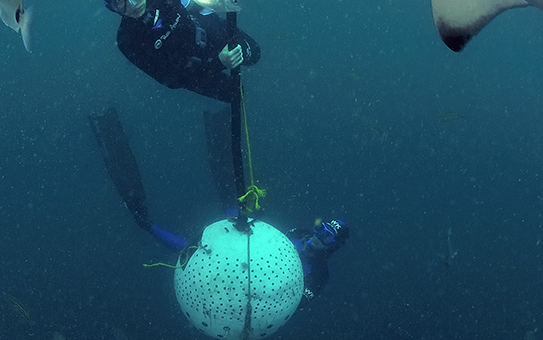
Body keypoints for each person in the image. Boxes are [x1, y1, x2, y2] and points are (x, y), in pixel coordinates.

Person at [88, 107, 348, 305]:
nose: (317, 236)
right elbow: (263, 235)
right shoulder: (300, 233)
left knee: (192, 248)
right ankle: (219, 125)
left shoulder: (318, 275)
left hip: (237, 293)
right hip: (233, 255)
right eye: (321, 229)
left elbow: (294, 304)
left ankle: (145, 220)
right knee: (226, 208)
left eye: (326, 236)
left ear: (333, 247)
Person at [98, 0, 260, 103]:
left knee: (254, 54)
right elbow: (172, 80)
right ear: (113, 8)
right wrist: (218, 63)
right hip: (192, 72)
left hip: (206, 30)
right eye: (120, 2)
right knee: (236, 94)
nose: (132, 4)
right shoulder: (127, 40)